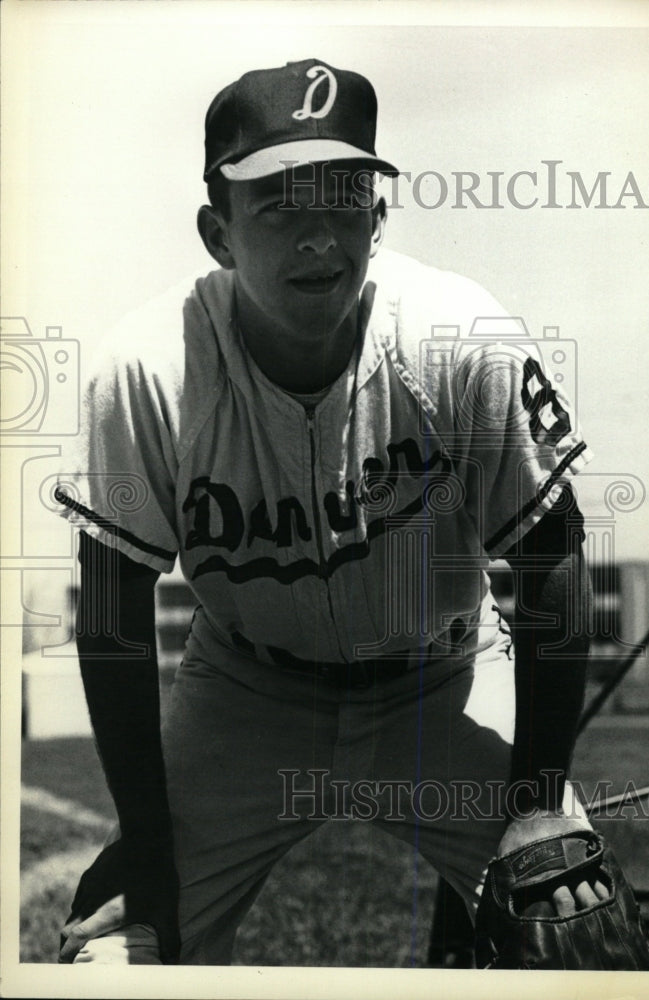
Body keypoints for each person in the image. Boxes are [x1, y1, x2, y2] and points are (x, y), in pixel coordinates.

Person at [54, 58, 600, 966]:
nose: (319, 237)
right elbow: (111, 607)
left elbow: (554, 556)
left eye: (346, 197)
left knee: (577, 926)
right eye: (277, 203)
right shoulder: (149, 369)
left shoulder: (460, 341)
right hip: (245, 694)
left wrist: (539, 807)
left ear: (379, 218)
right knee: (115, 954)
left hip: (445, 677)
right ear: (216, 233)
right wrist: (145, 837)